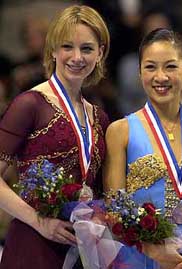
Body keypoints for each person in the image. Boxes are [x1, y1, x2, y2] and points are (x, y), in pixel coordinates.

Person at [104, 28, 182, 269]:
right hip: (139, 259)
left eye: (170, 66)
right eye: (150, 67)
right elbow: (113, 209)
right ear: (139, 73)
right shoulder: (120, 131)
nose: (161, 76)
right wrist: (154, 252)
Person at [0, 5, 110, 268]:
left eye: (86, 48)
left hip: (81, 250)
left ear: (100, 53)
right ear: (52, 50)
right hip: (32, 245)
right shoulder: (29, 104)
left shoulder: (100, 118)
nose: (76, 57)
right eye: (66, 47)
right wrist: (40, 222)